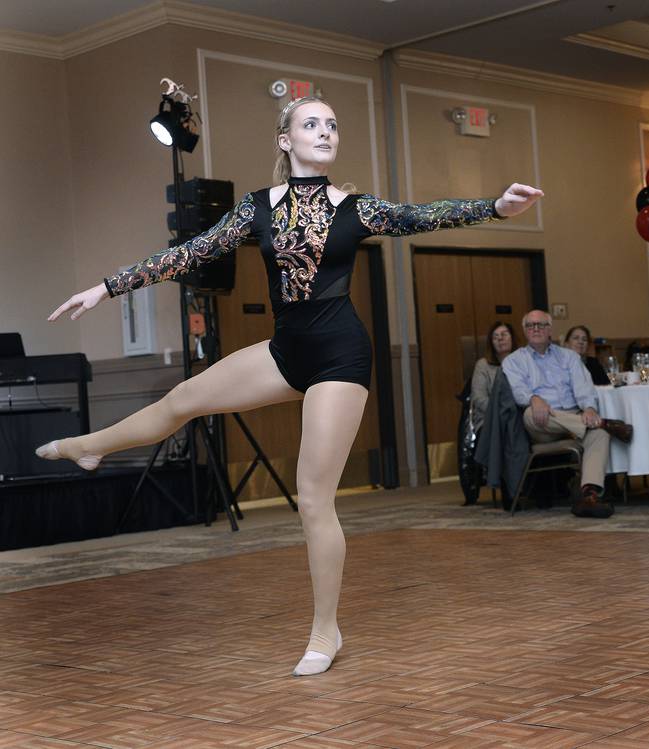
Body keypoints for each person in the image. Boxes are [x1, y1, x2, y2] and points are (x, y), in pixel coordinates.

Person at [35, 96, 543, 676]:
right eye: (311, 124)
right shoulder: (256, 209)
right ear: (285, 139)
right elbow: (189, 252)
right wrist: (107, 287)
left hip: (339, 356)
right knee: (183, 399)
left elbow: (422, 215)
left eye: (332, 123)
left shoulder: (356, 208)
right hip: (285, 352)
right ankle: (94, 446)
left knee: (312, 498)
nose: (325, 132)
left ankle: (326, 631)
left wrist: (495, 207)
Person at [502, 310, 633, 518]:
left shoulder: (569, 357)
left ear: (550, 330)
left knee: (599, 434)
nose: (536, 329)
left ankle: (589, 495)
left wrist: (589, 408)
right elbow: (518, 391)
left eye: (541, 325)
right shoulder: (513, 361)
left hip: (572, 417)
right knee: (529, 414)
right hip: (542, 422)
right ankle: (603, 423)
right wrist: (533, 399)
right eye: (530, 326)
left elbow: (584, 387)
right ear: (525, 331)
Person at [470, 321, 516, 432]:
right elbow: (479, 399)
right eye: (495, 337)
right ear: (491, 343)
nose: (500, 339)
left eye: (504, 334)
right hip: (489, 418)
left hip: (517, 417)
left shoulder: (522, 363)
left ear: (512, 338)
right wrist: (502, 411)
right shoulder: (483, 365)